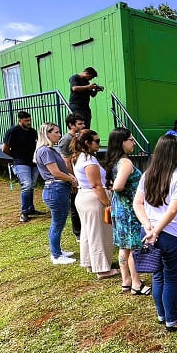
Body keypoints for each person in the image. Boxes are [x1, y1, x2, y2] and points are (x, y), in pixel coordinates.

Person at [133, 134, 177, 331]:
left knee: (158, 276)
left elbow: (138, 203)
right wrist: (156, 229)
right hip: (171, 235)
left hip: (150, 232)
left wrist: (148, 226)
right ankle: (173, 321)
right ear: (172, 154)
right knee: (171, 278)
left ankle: (162, 314)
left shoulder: (147, 175)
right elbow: (173, 210)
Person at [104, 127, 151, 295]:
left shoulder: (115, 162)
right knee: (133, 247)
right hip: (130, 210)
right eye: (130, 139)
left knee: (124, 247)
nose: (133, 142)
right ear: (121, 142)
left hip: (119, 208)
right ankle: (136, 284)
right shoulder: (126, 162)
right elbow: (117, 186)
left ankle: (126, 281)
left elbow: (111, 185)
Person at [72, 129, 119, 279]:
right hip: (93, 199)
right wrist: (107, 203)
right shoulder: (88, 161)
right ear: (87, 143)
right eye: (97, 141)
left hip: (84, 197)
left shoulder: (81, 157)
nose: (99, 144)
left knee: (88, 232)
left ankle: (90, 263)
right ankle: (102, 269)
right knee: (99, 234)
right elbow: (96, 185)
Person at [34, 123, 78, 265]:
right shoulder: (45, 151)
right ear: (47, 134)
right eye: (56, 132)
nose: (59, 135)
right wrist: (71, 178)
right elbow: (55, 173)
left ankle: (57, 250)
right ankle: (56, 255)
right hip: (55, 189)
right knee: (57, 223)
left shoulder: (50, 150)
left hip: (58, 189)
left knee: (58, 222)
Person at [2, 110, 43, 223]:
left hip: (33, 162)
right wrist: (15, 157)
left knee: (32, 185)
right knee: (27, 185)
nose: (29, 122)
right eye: (26, 121)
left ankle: (30, 208)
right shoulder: (13, 131)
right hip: (20, 162)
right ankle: (24, 212)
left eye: (29, 120)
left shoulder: (32, 132)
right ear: (20, 120)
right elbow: (4, 149)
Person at [58, 113, 86, 241]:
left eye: (83, 123)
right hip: (74, 178)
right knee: (75, 205)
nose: (83, 126)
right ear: (71, 125)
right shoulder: (66, 140)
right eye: (80, 123)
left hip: (81, 175)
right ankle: (78, 232)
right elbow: (66, 161)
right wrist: (73, 180)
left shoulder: (79, 137)